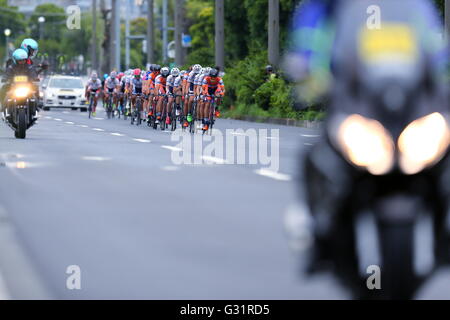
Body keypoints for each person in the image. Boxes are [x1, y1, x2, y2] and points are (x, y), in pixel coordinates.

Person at [2, 48, 39, 123]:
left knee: (34, 94)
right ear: (15, 60)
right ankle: (4, 109)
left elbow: (33, 74)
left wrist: (35, 78)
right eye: (20, 60)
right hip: (14, 87)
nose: (22, 61)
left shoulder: (29, 67)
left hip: (27, 87)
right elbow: (7, 74)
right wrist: (5, 79)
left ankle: (35, 110)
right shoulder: (11, 67)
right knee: (6, 94)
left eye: (23, 60)